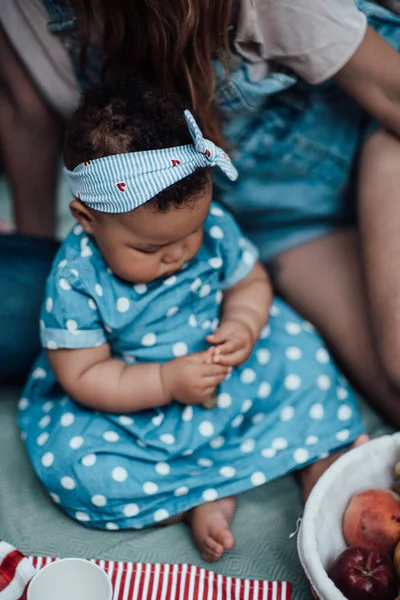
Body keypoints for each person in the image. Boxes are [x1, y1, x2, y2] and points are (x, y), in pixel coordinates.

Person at [2, 0, 400, 427]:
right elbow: (25, 112)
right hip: (281, 221)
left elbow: (390, 93)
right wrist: (37, 254)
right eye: (151, 247)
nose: (178, 257)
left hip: (375, 139)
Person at [19, 79, 367, 561]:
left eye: (192, 232)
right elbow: (82, 374)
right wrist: (165, 381)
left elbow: (250, 283)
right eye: (150, 248)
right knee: (78, 468)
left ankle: (317, 458)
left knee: (300, 356)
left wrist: (243, 325)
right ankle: (193, 499)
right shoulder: (77, 278)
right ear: (85, 218)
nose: (179, 254)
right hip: (132, 394)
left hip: (226, 370)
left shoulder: (213, 227)